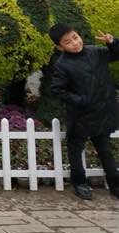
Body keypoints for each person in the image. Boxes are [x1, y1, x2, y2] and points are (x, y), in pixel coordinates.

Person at [48, 23, 119, 200]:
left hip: (102, 111)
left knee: (104, 148)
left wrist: (112, 43)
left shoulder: (96, 52)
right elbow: (57, 89)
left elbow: (116, 54)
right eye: (67, 42)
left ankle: (115, 184)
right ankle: (79, 183)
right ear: (59, 47)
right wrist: (80, 100)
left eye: (75, 37)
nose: (74, 43)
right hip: (80, 115)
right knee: (75, 149)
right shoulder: (62, 65)